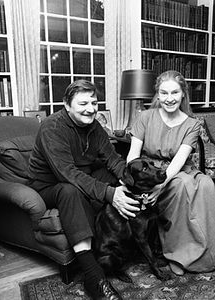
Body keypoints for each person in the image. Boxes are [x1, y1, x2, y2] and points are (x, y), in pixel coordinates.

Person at [28, 80, 140, 300]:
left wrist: (130, 181)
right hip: (49, 186)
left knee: (115, 179)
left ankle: (128, 240)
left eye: (94, 102)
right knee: (71, 190)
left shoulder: (94, 126)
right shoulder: (52, 128)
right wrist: (110, 194)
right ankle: (93, 275)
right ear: (67, 105)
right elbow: (68, 174)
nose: (91, 108)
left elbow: (113, 159)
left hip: (80, 177)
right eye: (83, 103)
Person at [126, 70, 215, 276]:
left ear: (183, 94)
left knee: (207, 184)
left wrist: (159, 187)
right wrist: (141, 184)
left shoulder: (192, 124)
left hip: (177, 170)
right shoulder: (145, 117)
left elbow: (179, 161)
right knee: (183, 185)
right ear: (157, 94)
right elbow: (132, 156)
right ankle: (178, 255)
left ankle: (210, 253)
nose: (169, 99)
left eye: (174, 93)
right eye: (164, 93)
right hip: (152, 173)